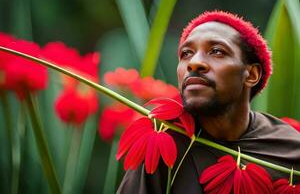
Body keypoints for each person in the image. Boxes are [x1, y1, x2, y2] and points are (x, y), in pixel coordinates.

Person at [117, 10, 300, 193]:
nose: (194, 63)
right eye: (186, 53)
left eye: (217, 51)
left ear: (251, 75)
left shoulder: (292, 150)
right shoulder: (162, 142)